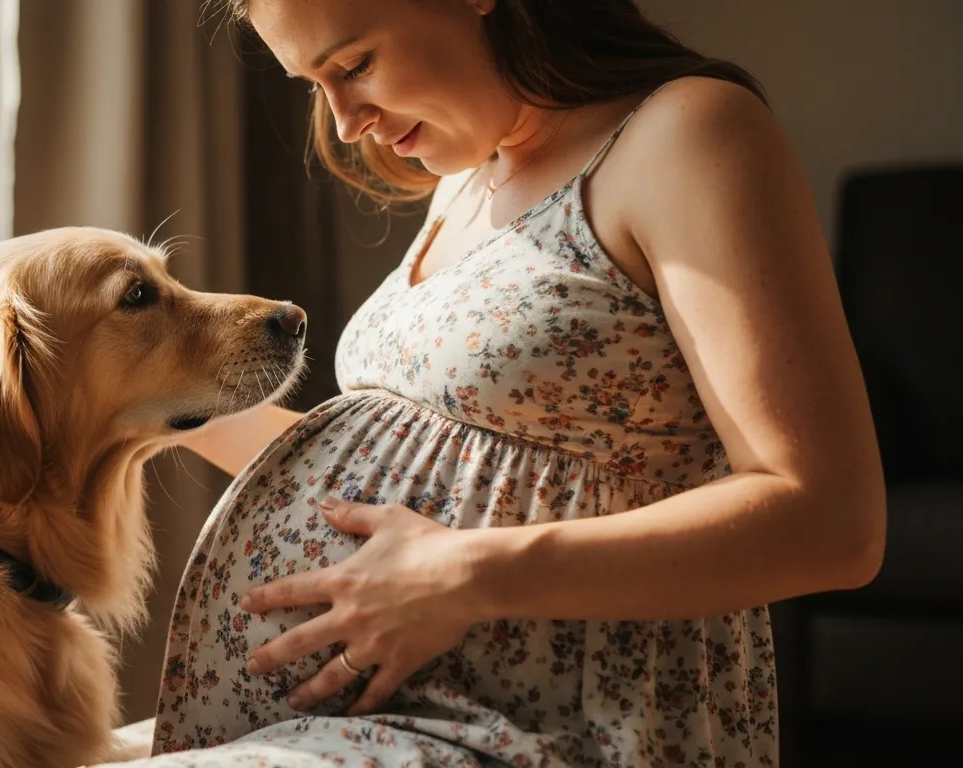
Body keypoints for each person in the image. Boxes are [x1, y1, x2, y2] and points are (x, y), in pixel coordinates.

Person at [103, 0, 885, 765]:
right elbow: (437, 479)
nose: (345, 122)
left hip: (547, 729)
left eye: (355, 64)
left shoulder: (686, 133)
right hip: (380, 720)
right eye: (316, 84)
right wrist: (131, 392)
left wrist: (469, 575)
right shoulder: (468, 178)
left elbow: (830, 520)